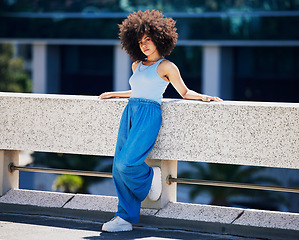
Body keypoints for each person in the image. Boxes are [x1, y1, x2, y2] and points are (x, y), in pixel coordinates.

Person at [99, 9, 222, 232]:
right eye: (140, 41)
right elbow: (136, 90)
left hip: (149, 115)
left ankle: (149, 178)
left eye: (148, 39)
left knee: (128, 163)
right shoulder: (137, 64)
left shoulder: (166, 67)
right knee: (118, 166)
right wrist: (114, 93)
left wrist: (204, 97)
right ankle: (124, 218)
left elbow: (183, 92)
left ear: (159, 38)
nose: (144, 44)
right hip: (130, 112)